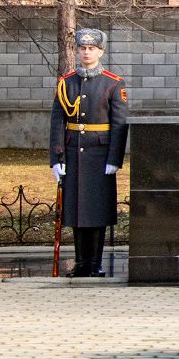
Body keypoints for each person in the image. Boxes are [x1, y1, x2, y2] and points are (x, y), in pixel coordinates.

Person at [50, 28, 129, 277]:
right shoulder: (66, 82)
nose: (86, 53)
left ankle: (95, 263)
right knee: (76, 210)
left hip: (99, 155)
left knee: (96, 210)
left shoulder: (113, 83)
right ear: (77, 51)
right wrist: (57, 157)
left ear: (100, 52)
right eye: (82, 48)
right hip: (73, 154)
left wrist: (114, 159)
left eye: (91, 49)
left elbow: (119, 124)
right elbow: (57, 122)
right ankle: (81, 263)